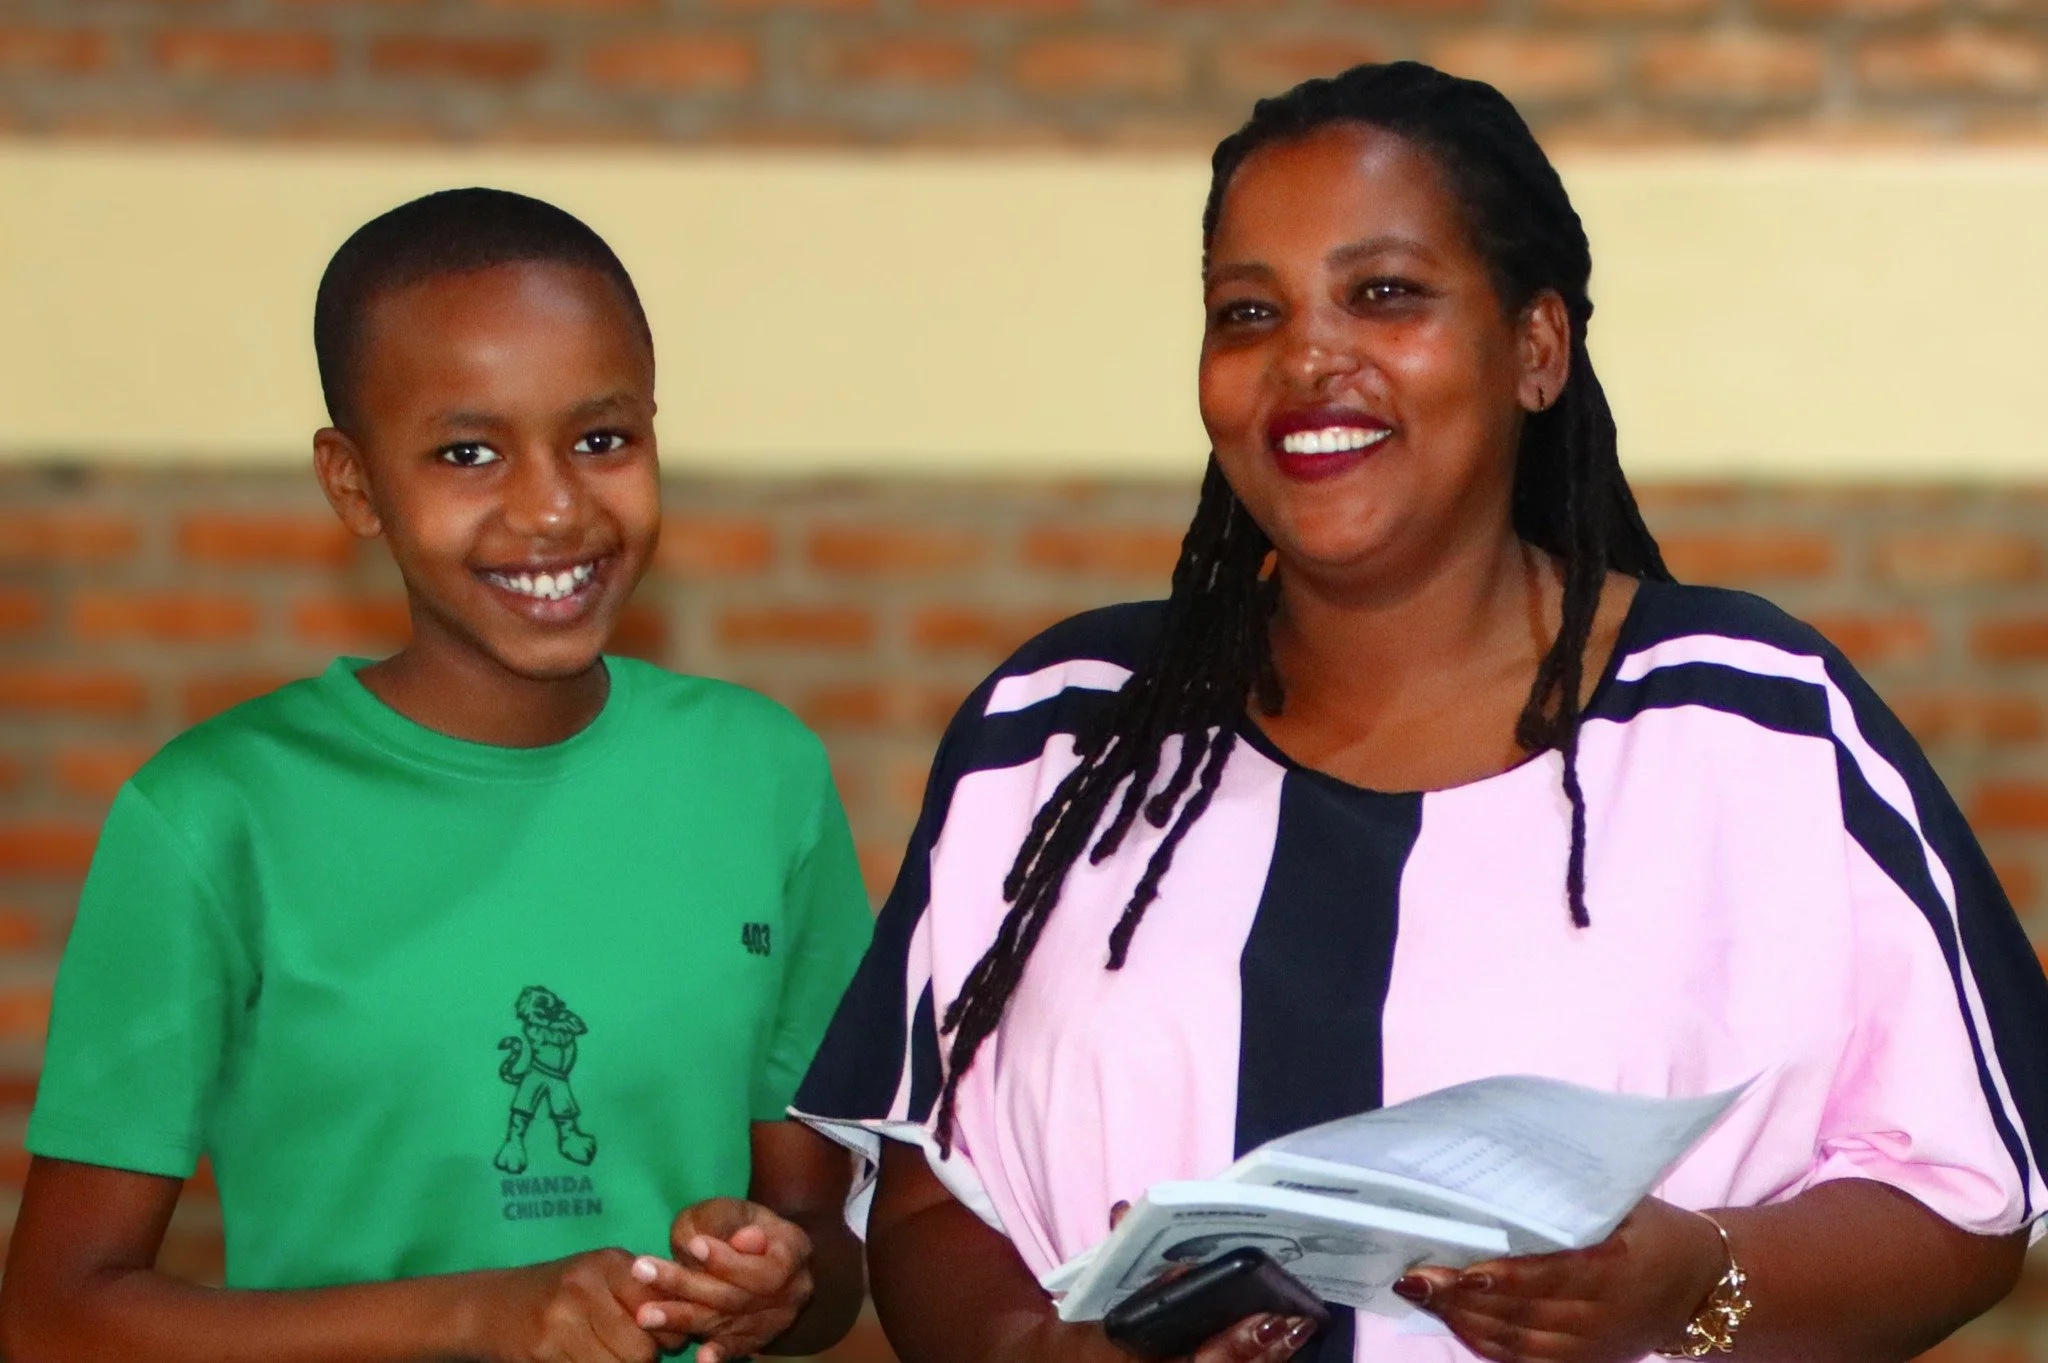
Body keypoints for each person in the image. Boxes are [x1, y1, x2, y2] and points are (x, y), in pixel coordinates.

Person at [790, 62, 2048, 1363]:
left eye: (1383, 293)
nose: (1306, 357)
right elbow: (933, 1193)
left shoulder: (1756, 721)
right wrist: (1049, 1352)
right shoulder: (1061, 731)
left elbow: (1963, 1196)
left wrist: (1692, 1280)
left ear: (1535, 348)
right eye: (1247, 311)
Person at [0, 188, 873, 1363]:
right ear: (353, 483)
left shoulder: (760, 773)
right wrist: (477, 1314)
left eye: (601, 439)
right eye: (469, 453)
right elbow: (53, 1317)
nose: (553, 507)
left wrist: (770, 1277)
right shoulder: (213, 814)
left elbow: (827, 1251)